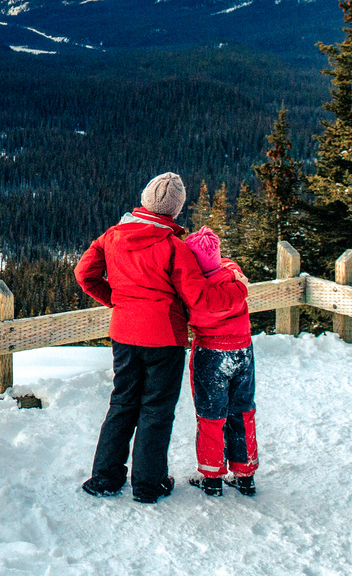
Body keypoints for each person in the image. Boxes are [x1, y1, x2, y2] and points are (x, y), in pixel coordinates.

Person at [74, 171, 234, 503]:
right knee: (157, 410)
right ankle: (148, 485)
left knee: (121, 404)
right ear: (175, 211)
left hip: (124, 334)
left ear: (145, 201)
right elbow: (199, 297)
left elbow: (84, 274)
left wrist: (118, 301)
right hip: (165, 338)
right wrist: (235, 290)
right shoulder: (174, 247)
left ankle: (105, 478)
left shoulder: (113, 235)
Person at [182, 226, 255, 495]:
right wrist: (226, 267)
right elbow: (229, 266)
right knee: (243, 410)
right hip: (242, 351)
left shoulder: (192, 290)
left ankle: (211, 477)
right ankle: (245, 474)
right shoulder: (234, 279)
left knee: (211, 415)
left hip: (210, 355)